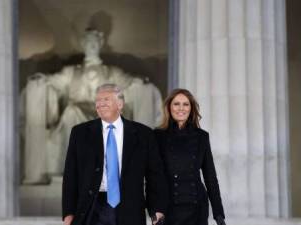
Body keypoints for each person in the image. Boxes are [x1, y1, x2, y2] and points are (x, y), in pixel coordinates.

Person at [20, 29, 162, 184]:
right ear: (83, 45)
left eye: (95, 41)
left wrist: (141, 82)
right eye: (88, 41)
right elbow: (53, 81)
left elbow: (131, 81)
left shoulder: (112, 72)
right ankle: (73, 168)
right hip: (76, 114)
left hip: (105, 115)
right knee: (71, 111)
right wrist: (41, 80)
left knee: (132, 98)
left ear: (101, 44)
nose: (92, 45)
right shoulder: (71, 72)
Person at [62, 83, 167, 225]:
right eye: (98, 101)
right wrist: (68, 213)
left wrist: (156, 210)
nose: (100, 104)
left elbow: (154, 176)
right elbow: (70, 176)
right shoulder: (80, 133)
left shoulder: (144, 134)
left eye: (106, 99)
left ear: (120, 104)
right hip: (91, 207)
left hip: (129, 207)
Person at [154, 88, 226, 225]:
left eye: (186, 104)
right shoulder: (157, 136)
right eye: (176, 104)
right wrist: (155, 210)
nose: (181, 108)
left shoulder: (202, 137)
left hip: (197, 208)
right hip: (168, 208)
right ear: (169, 107)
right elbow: (153, 177)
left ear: (191, 108)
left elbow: (210, 177)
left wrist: (219, 214)